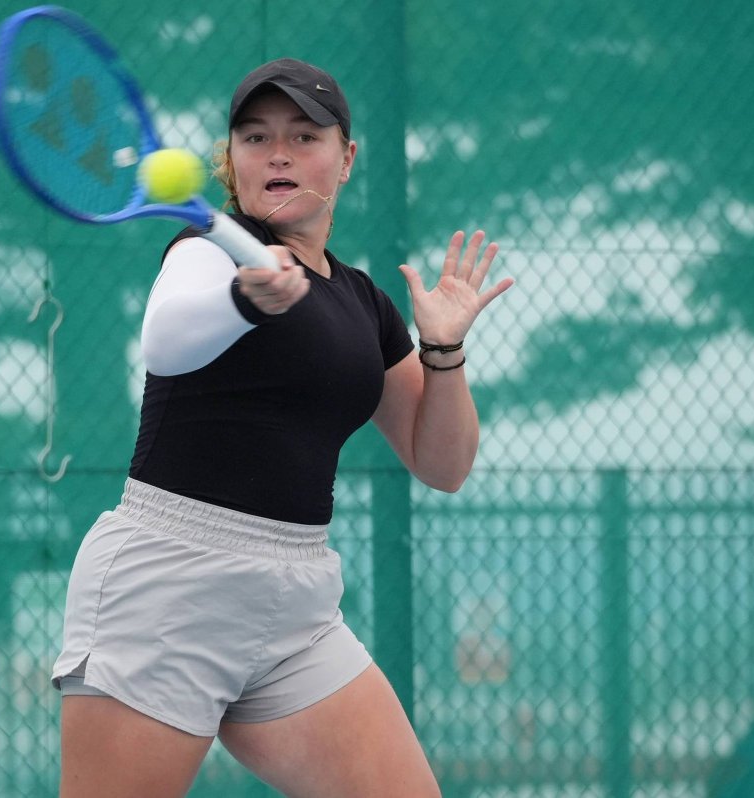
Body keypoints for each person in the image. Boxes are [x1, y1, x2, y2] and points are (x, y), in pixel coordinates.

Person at [52, 57, 513, 797]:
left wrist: (445, 349)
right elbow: (167, 341)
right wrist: (245, 300)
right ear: (231, 160)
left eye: (304, 135)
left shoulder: (363, 302)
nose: (279, 153)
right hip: (170, 582)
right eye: (256, 136)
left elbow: (443, 463)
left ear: (347, 156)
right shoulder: (205, 251)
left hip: (295, 604)